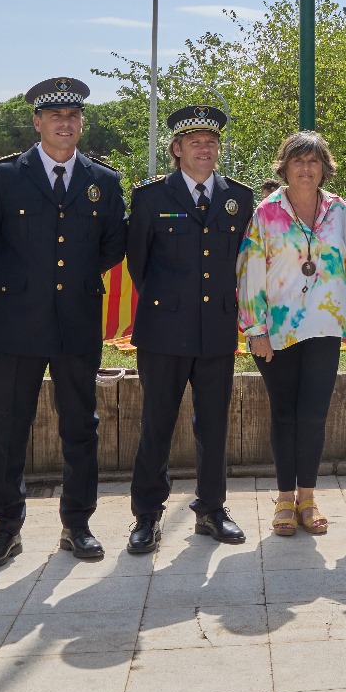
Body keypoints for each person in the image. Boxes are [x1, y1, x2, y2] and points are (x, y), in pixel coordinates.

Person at [0, 77, 128, 568]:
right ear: (37, 122)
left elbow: (113, 245)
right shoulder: (4, 177)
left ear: (81, 123)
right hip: (17, 322)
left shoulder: (103, 181)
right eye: (55, 116)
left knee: (81, 426)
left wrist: (74, 277)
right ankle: (5, 528)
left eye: (73, 116)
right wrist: (18, 277)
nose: (65, 123)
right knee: (10, 428)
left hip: (76, 321)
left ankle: (77, 524)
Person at [124, 105, 254, 552]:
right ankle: (146, 516)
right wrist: (171, 303)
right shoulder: (150, 198)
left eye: (212, 142)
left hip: (216, 329)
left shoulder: (239, 197)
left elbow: (242, 262)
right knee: (156, 424)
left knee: (214, 424)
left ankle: (212, 510)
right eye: (195, 142)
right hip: (164, 330)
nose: (205, 148)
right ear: (177, 149)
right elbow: (138, 266)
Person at [237, 131, 346, 537]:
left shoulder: (339, 210)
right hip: (277, 330)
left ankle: (308, 498)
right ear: (284, 167)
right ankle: (284, 500)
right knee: (285, 414)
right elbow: (250, 272)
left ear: (324, 167)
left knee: (314, 415)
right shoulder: (266, 212)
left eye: (313, 161)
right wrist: (255, 330)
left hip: (324, 329)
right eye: (297, 161)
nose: (306, 169)